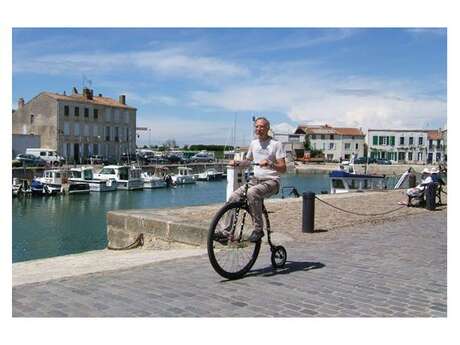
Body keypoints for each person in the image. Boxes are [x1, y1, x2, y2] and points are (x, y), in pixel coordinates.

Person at [217, 117, 287, 243]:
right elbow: (248, 162)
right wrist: (237, 163)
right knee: (234, 197)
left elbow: (283, 168)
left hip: (271, 182)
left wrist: (271, 164)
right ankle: (226, 233)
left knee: (252, 193)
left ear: (268, 129)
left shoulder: (276, 144)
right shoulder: (253, 143)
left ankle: (258, 229)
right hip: (255, 181)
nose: (259, 129)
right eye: (257, 126)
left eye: (262, 127)